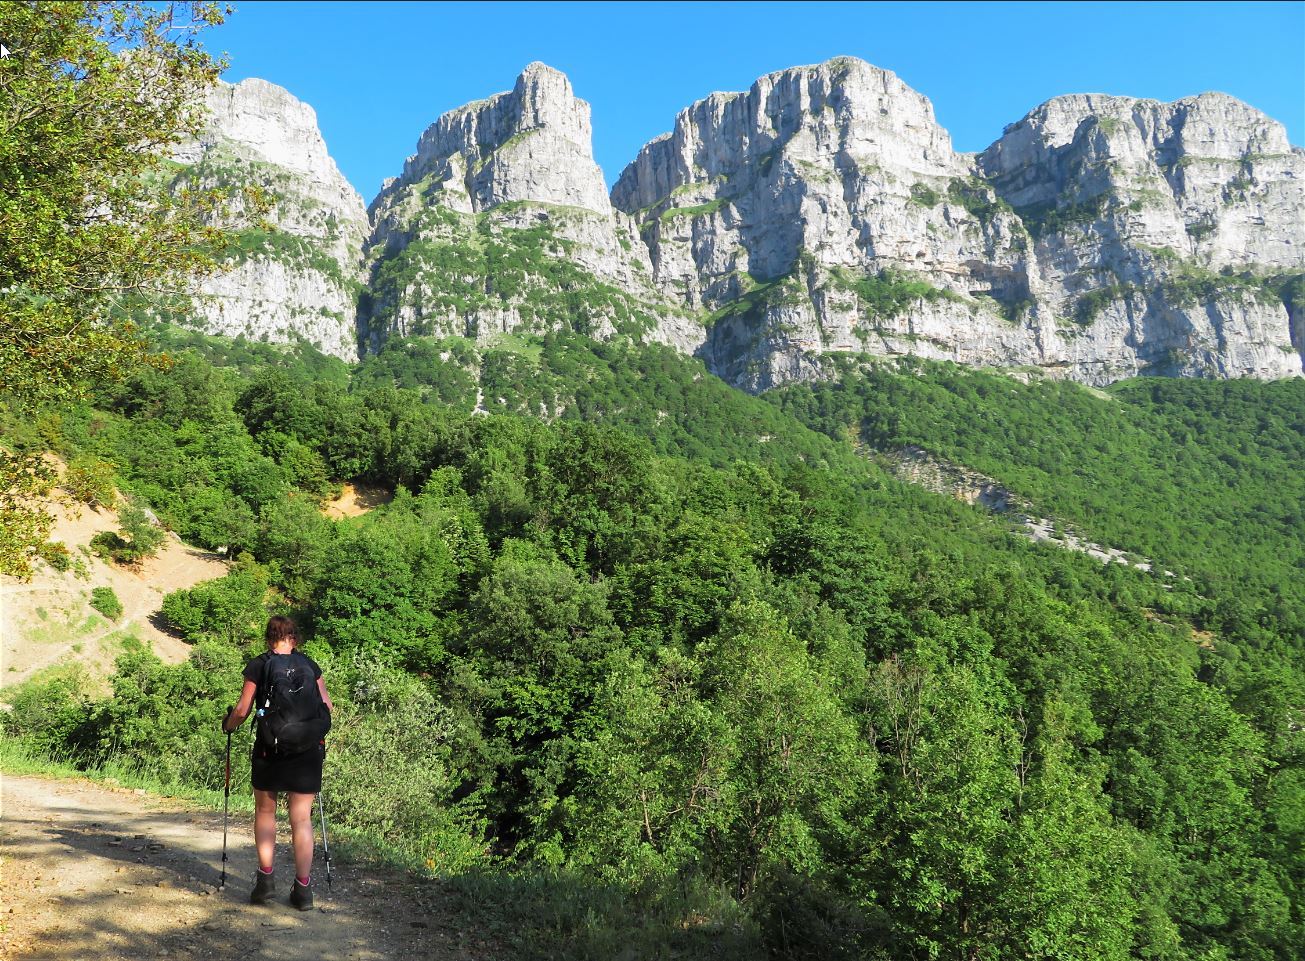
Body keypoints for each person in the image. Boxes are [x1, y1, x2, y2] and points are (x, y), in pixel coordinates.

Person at [223, 615, 333, 910]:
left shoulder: (259, 664)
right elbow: (328, 706)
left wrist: (228, 725)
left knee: (265, 810)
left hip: (269, 750)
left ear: (268, 638)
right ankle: (303, 890)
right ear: (294, 638)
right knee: (301, 818)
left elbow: (243, 709)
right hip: (308, 751)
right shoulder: (310, 666)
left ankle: (266, 881)